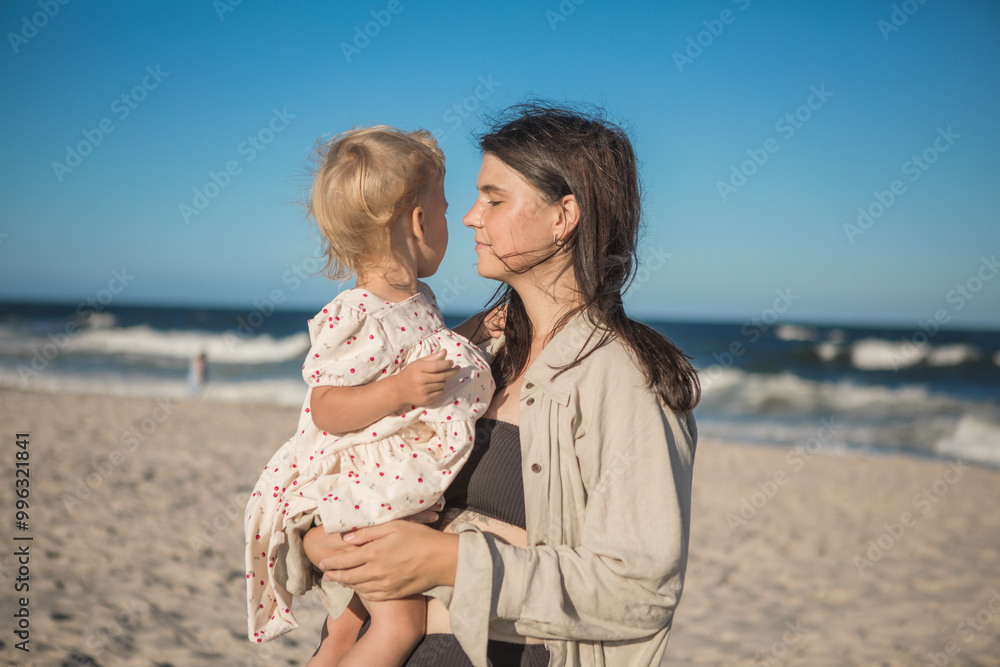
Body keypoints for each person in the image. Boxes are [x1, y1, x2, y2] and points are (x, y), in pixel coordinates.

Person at [301, 103, 701, 667]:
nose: (469, 216)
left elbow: (639, 590)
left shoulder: (626, 378)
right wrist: (320, 543)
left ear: (565, 216)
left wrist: (450, 562)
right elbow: (336, 461)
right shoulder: (469, 354)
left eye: (494, 199)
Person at [244, 125, 504, 667]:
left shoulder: (412, 300)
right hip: (368, 491)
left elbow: (415, 348)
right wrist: (398, 391)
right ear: (417, 221)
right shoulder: (357, 311)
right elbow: (327, 407)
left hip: (380, 488)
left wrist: (473, 332)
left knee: (343, 632)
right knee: (401, 622)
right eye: (445, 206)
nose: (458, 220)